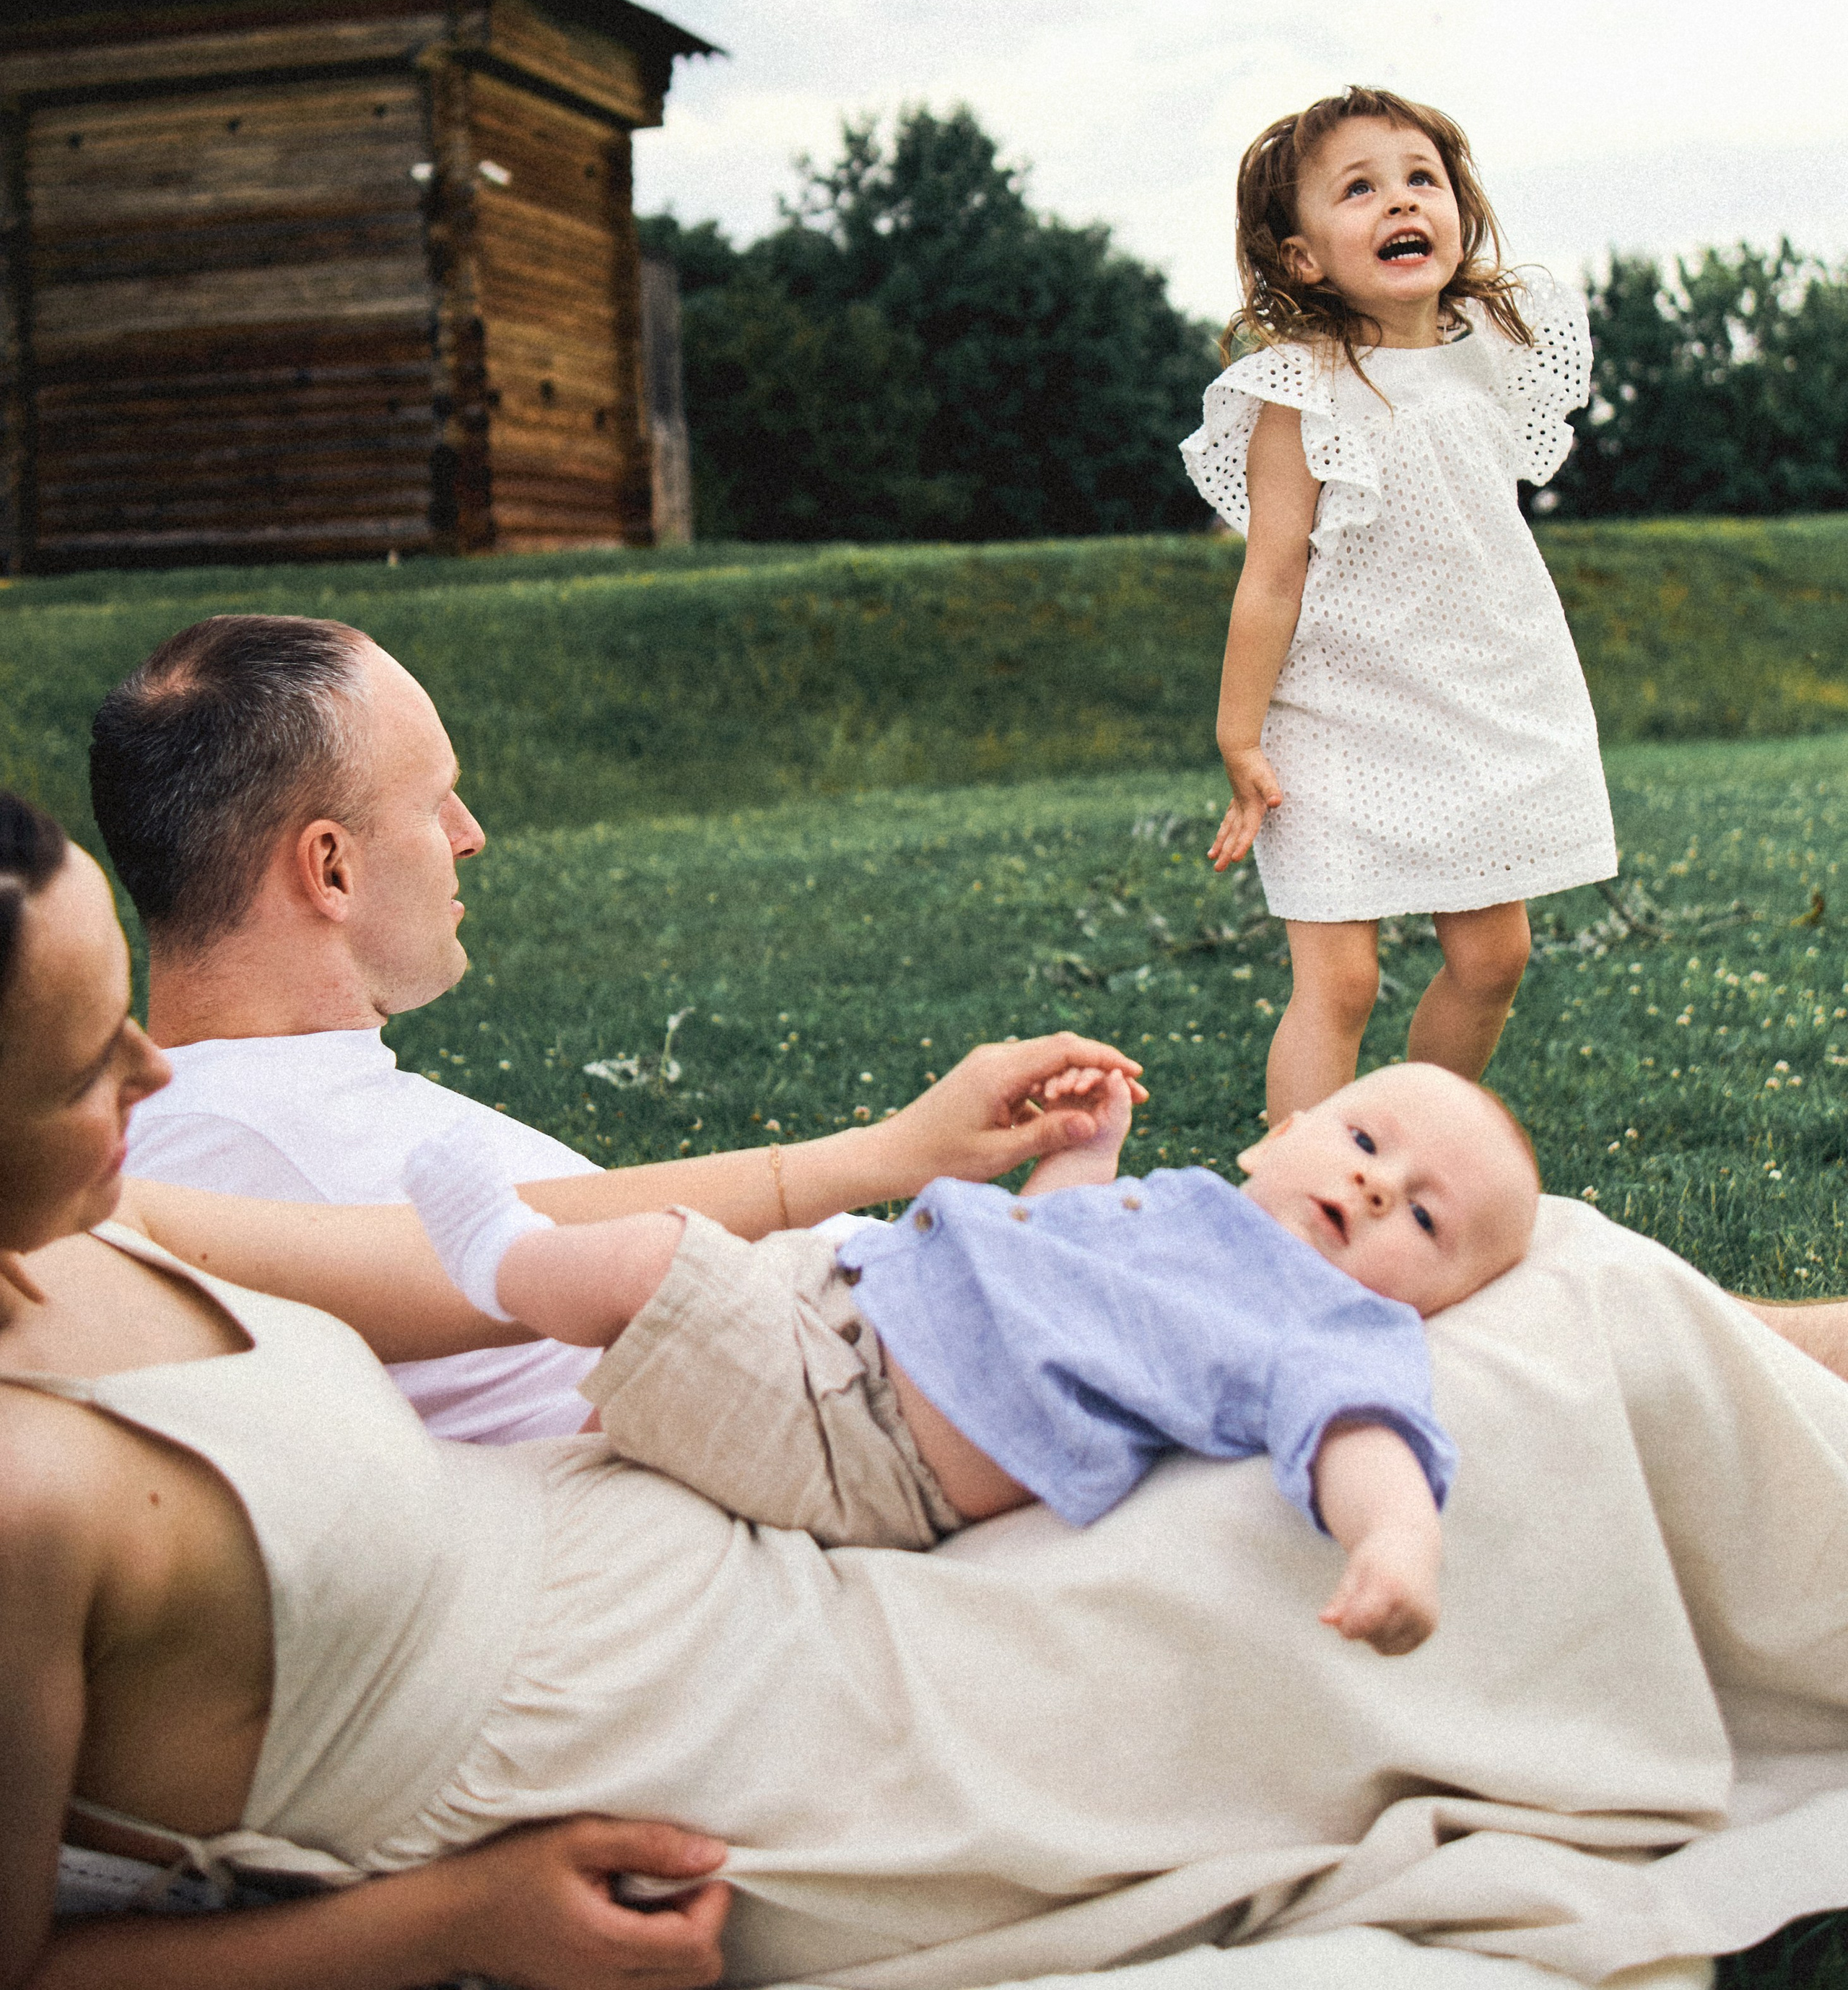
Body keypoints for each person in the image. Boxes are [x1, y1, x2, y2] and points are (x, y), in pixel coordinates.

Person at [12, 791, 1848, 1990]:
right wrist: (445, 1930)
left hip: (753, 1513)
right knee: (1461, 1420)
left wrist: (880, 1151)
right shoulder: (22, 1496)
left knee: (1534, 1286)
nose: (162, 1071)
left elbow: (484, 1260)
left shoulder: (107, 1204)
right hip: (709, 1740)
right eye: (93, 1053)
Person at [89, 615, 1117, 1442]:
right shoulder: (233, 1153)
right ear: (332, 870)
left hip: (898, 1325)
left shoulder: (274, 1112)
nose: (470, 836)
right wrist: (885, 1157)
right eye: (435, 801)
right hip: (881, 1385)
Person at [408, 1062, 1539, 1659]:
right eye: (1363, 1139)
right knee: (681, 1306)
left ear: (1435, 1302)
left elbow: (1363, 1428)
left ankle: (504, 1262)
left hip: (865, 1435)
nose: (1380, 1185)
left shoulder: (1327, 1324)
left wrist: (1398, 1539)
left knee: (656, 1261)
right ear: (1279, 1136)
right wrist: (1087, 1156)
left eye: (1427, 1220)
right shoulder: (1192, 1210)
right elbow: (1039, 1251)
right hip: (850, 1305)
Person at [1181, 86, 1618, 1124]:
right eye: (1360, 189)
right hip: (1336, 714)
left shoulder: (1494, 355)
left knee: (1494, 956)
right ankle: (1294, 1206)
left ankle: (1400, 1142)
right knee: (1340, 982)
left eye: (1421, 179)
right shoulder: (1299, 394)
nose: (1399, 201)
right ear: (1302, 258)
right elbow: (1272, 577)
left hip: (1471, 702)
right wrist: (1239, 730)